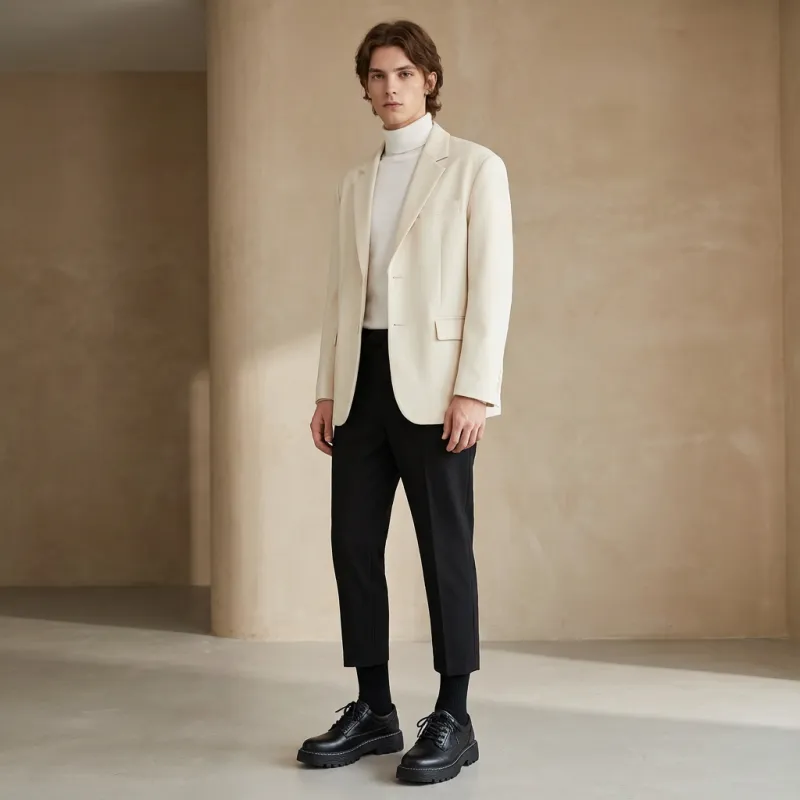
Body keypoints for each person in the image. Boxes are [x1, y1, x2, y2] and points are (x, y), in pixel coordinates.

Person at [297, 19, 513, 785]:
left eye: (404, 74)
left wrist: (475, 390)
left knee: (444, 548)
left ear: (429, 80)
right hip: (361, 381)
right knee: (353, 546)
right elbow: (339, 293)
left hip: (436, 386)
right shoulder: (355, 183)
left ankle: (454, 716)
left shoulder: (475, 167)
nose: (390, 87)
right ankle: (374, 708)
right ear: (364, 88)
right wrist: (327, 387)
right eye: (377, 75)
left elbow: (491, 284)